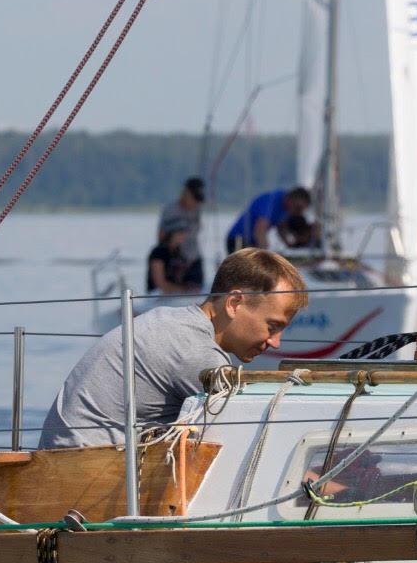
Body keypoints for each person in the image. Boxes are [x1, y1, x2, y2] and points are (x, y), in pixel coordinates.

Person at [40, 248, 308, 448]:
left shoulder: (174, 320)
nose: (276, 342)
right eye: (272, 326)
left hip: (65, 454)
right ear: (234, 303)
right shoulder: (197, 352)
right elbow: (246, 437)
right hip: (83, 468)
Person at [225, 186, 312, 253]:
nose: (298, 213)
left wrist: (291, 246)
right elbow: (260, 230)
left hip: (252, 242)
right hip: (237, 239)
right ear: (290, 199)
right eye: (298, 208)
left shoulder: (286, 208)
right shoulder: (271, 201)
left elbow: (281, 228)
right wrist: (265, 253)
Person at [157, 176, 205, 287]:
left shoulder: (197, 209)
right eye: (194, 199)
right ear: (186, 193)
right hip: (175, 262)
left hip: (194, 258)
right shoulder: (170, 210)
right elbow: (161, 235)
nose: (195, 203)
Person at [146, 223, 197, 295]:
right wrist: (183, 290)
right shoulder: (158, 252)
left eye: (184, 233)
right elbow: (159, 283)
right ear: (172, 233)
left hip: (174, 294)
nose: (184, 236)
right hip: (157, 295)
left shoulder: (178, 253)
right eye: (180, 233)